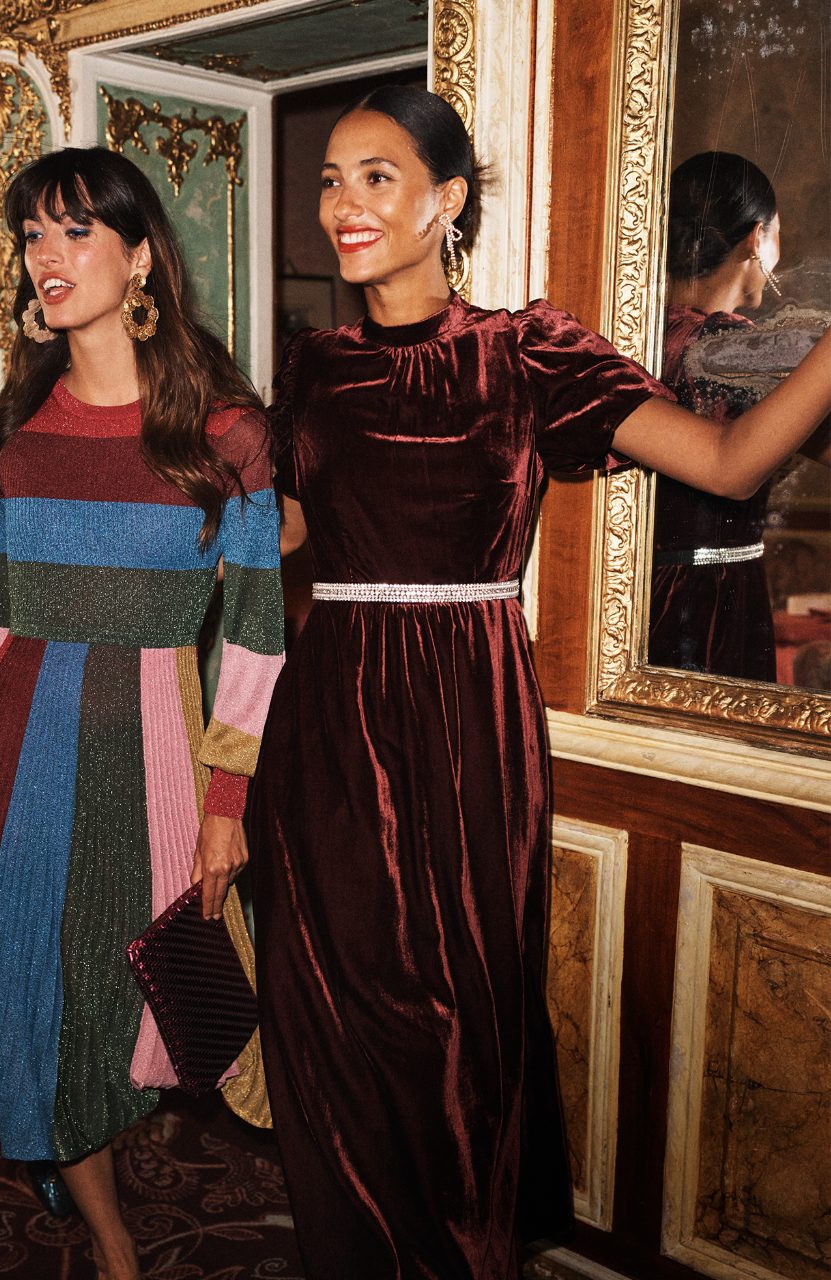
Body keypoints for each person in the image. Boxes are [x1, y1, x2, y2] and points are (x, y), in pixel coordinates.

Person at [247, 86, 831, 1280]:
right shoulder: (309, 367)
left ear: (447, 199)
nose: (343, 206)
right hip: (324, 727)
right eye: (330, 181)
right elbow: (280, 546)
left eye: (375, 176)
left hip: (465, 724)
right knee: (332, 1021)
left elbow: (729, 457)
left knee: (456, 1029)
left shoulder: (524, 351)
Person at [0, 146, 284, 1280]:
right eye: (32, 233)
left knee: (135, 993)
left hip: (158, 748)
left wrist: (225, 800)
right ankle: (115, 1242)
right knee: (20, 988)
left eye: (76, 230)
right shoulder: (14, 430)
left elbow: (257, 632)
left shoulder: (226, 435)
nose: (47, 257)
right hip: (17, 746)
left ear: (139, 259)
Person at [649, 150, 819, 680]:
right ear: (755, 238)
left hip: (634, 593)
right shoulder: (744, 353)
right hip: (718, 600)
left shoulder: (636, 333)